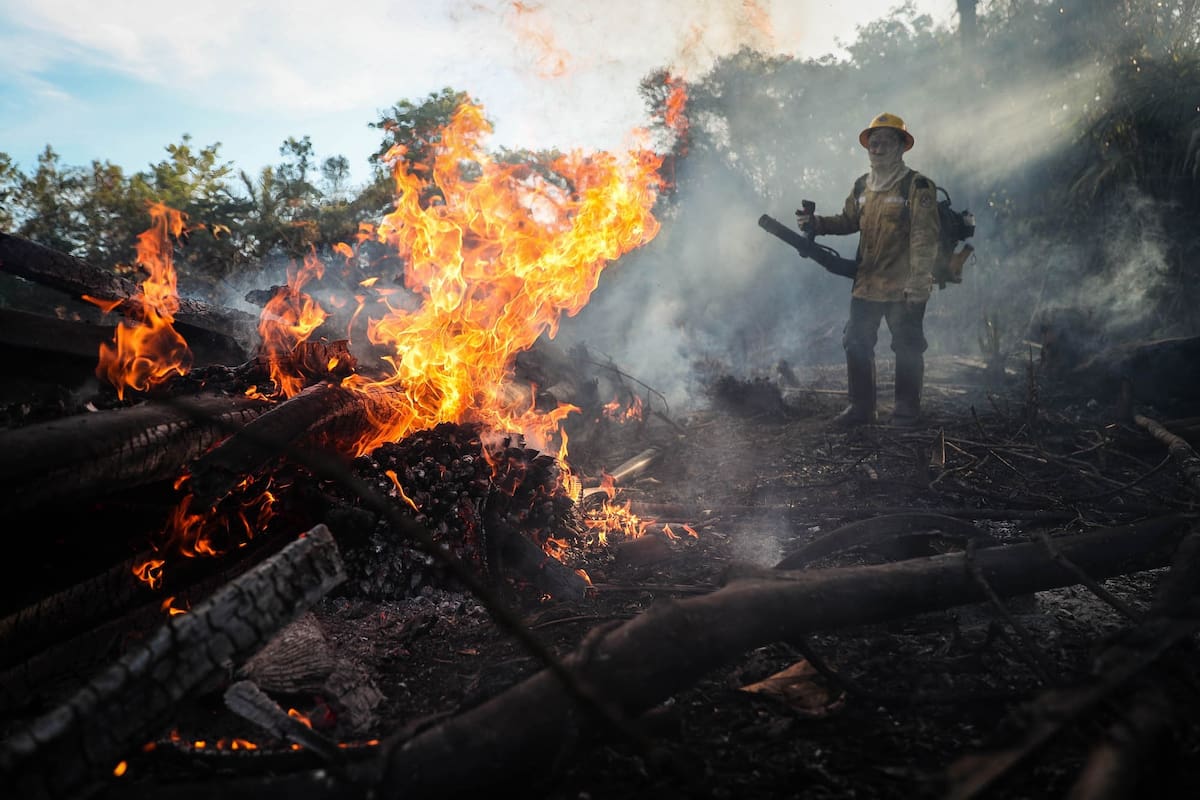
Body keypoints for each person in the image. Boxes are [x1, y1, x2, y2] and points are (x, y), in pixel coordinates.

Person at [796, 112, 940, 427]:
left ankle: (906, 411)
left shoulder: (916, 186)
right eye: (874, 143)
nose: (878, 148)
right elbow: (849, 220)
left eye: (886, 142)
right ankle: (860, 409)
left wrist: (919, 281)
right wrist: (817, 224)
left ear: (901, 146)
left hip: (903, 285)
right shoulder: (863, 185)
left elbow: (924, 238)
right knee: (856, 342)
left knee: (907, 345)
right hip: (867, 284)